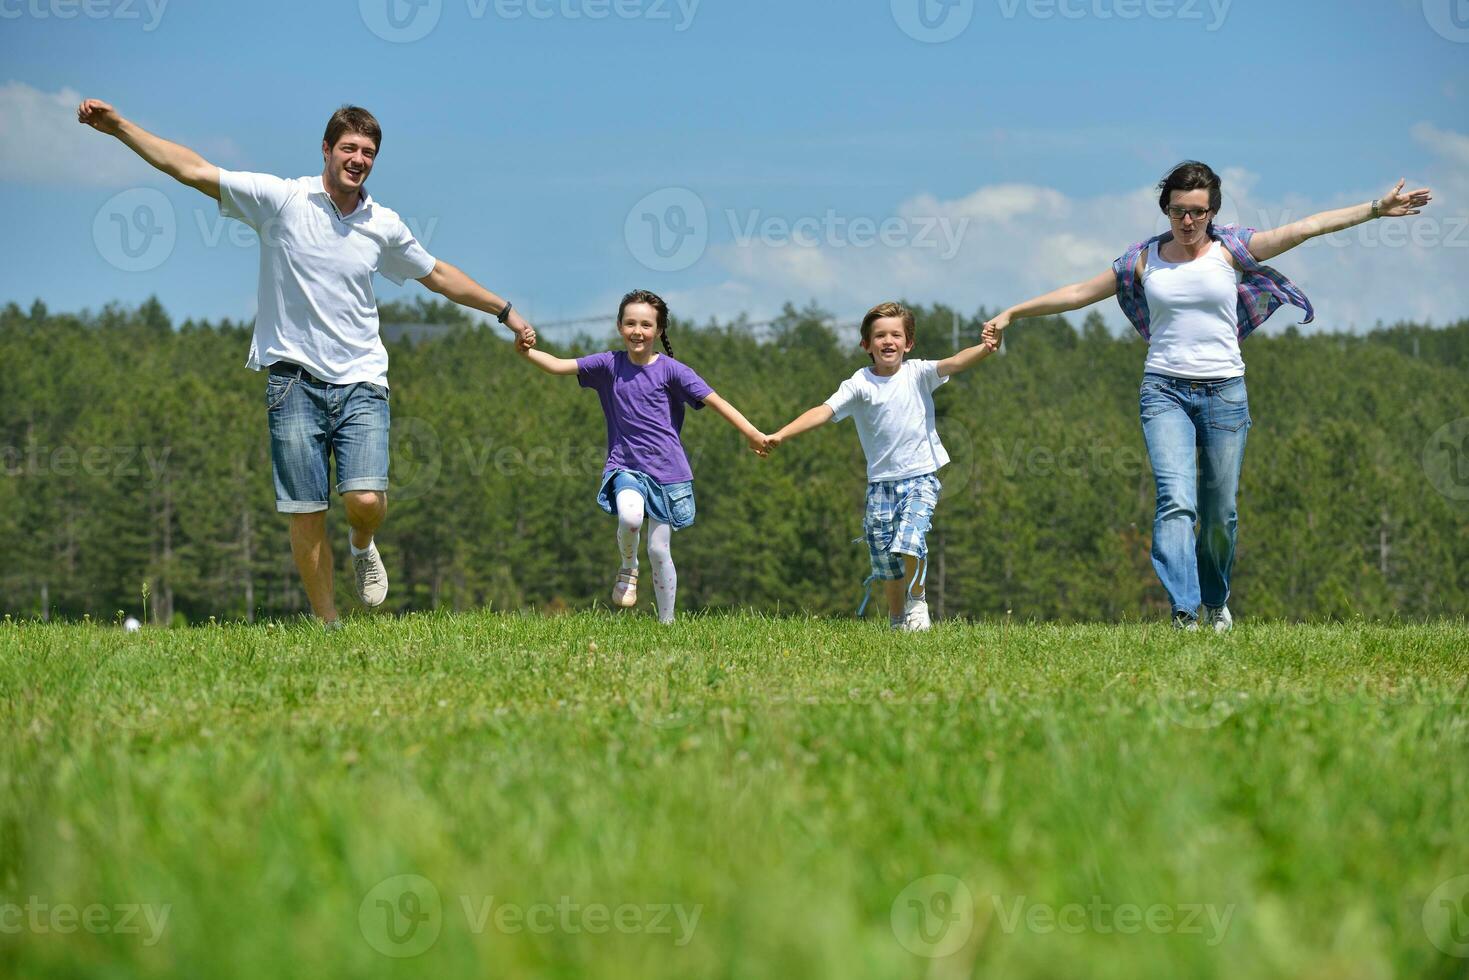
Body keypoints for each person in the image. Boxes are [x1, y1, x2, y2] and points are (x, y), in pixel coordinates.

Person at [77, 99, 539, 629]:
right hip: (292, 380)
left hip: (362, 378)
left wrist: (502, 309)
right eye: (348, 148)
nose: (358, 159)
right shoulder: (283, 200)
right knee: (306, 511)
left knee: (365, 499)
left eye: (368, 152)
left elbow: (435, 274)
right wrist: (118, 129)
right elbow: (191, 169)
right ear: (326, 149)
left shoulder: (381, 224)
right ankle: (328, 625)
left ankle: (362, 542)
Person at [982, 161, 1432, 631]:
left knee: (1221, 513)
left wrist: (1377, 209)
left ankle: (1216, 603)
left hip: (1225, 394)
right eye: (1179, 211)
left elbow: (1307, 227)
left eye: (1198, 212)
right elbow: (1078, 292)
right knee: (1176, 500)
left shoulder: (1232, 250)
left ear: (1212, 212)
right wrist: (1014, 312)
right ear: (1167, 211)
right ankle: (1183, 611)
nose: (1188, 221)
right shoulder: (1142, 260)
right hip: (1163, 392)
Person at [518, 289, 767, 623]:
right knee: (631, 519)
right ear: (620, 326)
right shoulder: (608, 365)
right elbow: (559, 365)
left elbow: (716, 401)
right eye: (631, 323)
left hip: (669, 473)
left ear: (659, 330)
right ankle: (628, 566)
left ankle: (667, 623)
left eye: (646, 325)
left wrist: (751, 432)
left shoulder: (673, 371)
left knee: (659, 549)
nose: (638, 331)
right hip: (626, 467)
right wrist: (526, 352)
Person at [766, 301, 997, 631]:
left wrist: (986, 349)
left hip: (920, 477)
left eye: (896, 335)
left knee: (911, 538)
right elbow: (823, 411)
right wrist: (781, 434)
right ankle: (896, 618)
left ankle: (917, 603)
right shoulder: (859, 384)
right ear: (866, 345)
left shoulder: (918, 373)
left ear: (908, 343)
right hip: (881, 484)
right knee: (886, 558)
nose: (888, 341)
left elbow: (956, 362)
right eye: (879, 336)